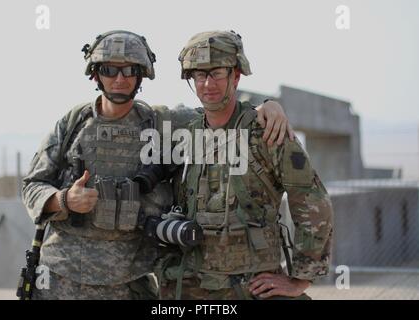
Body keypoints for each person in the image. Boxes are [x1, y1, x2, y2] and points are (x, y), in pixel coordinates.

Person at [21, 30, 293, 300]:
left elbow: (222, 112)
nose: (119, 79)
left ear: (141, 75)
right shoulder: (74, 124)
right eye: (109, 70)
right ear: (95, 74)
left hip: (131, 281)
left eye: (129, 70)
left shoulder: (162, 123)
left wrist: (267, 107)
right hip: (62, 277)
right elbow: (32, 185)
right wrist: (63, 199)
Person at [156, 30, 334, 300]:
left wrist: (301, 278)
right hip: (191, 284)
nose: (207, 84)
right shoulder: (185, 135)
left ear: (235, 76)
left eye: (216, 73)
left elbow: (313, 202)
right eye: (199, 75)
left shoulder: (267, 132)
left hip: (252, 286)